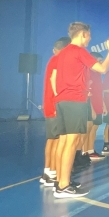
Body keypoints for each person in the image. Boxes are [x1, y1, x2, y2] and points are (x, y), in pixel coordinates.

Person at [51, 22, 109, 198]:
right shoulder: (79, 51)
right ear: (82, 34)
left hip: (62, 101)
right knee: (71, 143)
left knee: (64, 142)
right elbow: (102, 68)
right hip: (75, 101)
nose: (90, 38)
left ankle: (61, 180)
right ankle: (63, 186)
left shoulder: (63, 53)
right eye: (89, 35)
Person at [40, 37, 71, 189]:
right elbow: (55, 82)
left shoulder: (54, 60)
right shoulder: (58, 61)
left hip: (51, 104)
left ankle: (48, 172)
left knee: (52, 139)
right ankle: (51, 172)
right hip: (54, 105)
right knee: (56, 139)